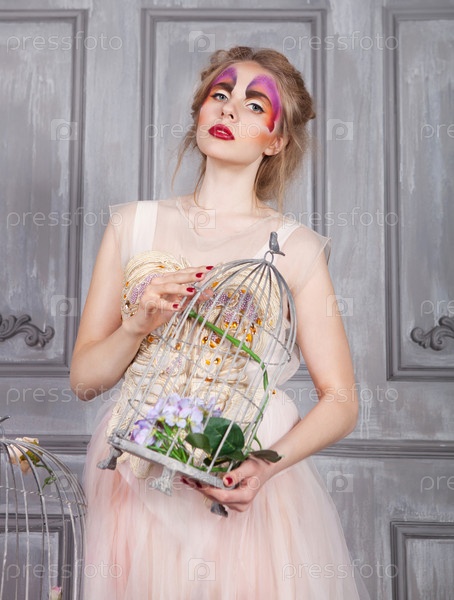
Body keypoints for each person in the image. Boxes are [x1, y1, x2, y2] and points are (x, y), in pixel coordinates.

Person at [71, 45, 365, 599]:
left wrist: (264, 466)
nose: (229, 109)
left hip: (242, 472)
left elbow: (342, 400)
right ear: (200, 111)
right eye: (220, 95)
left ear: (276, 141)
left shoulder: (296, 248)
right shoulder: (133, 226)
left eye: (255, 106)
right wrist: (135, 326)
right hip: (136, 472)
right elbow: (85, 381)